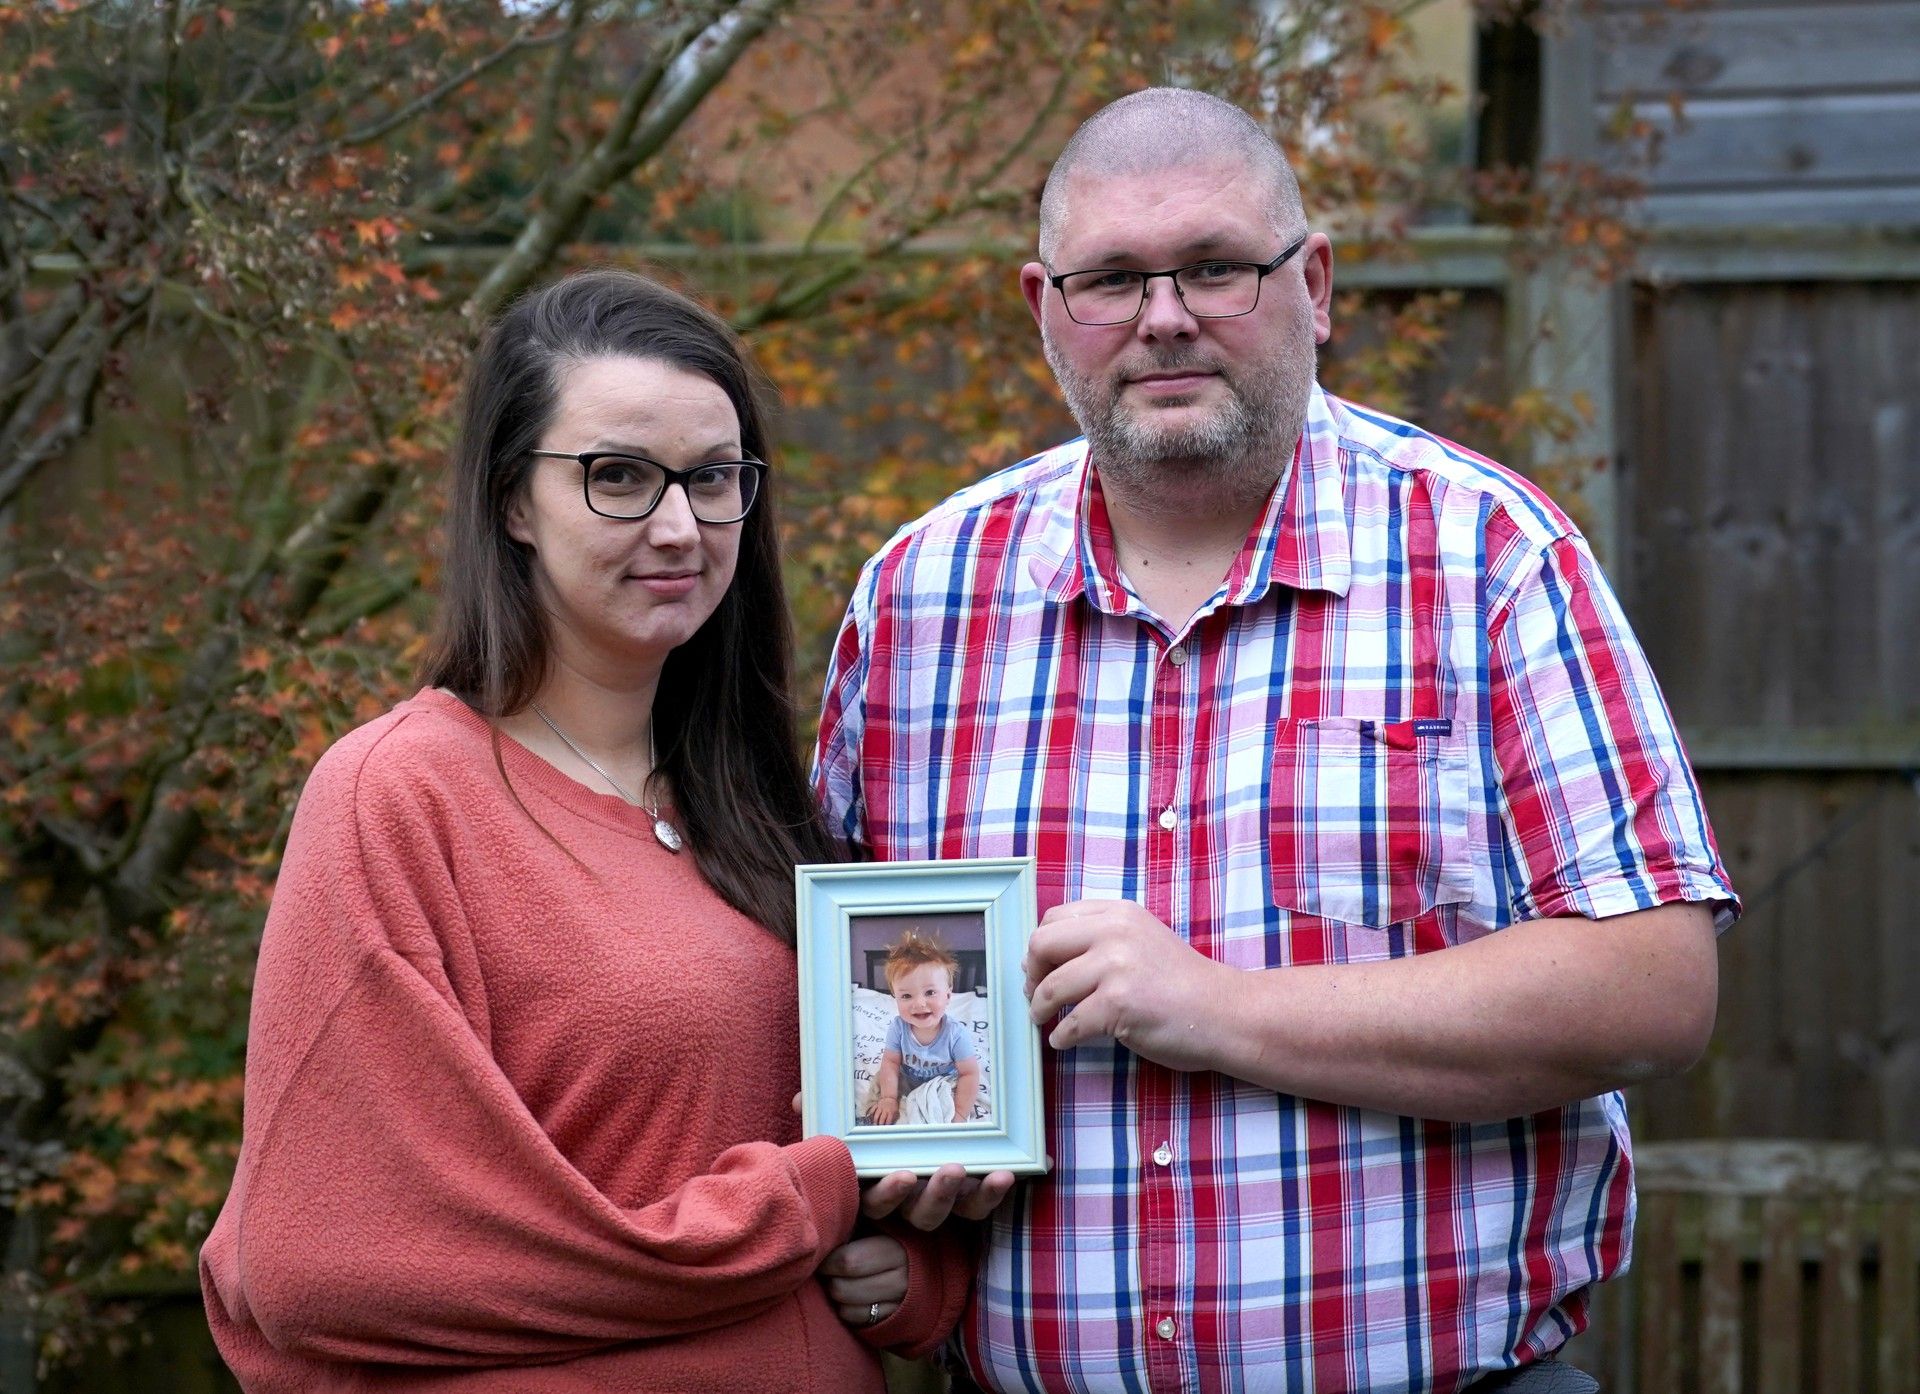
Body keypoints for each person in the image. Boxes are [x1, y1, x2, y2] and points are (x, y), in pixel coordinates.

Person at [813, 89, 1738, 1392]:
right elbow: (837, 1012)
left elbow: (1654, 984)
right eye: (1113, 278)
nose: (1165, 313)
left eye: (1214, 266)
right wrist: (890, 1186)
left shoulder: (1490, 561)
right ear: (1043, 308)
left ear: (1312, 284)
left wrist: (1218, 1007)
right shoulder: (920, 604)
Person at [198, 268, 974, 1392]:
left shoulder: (761, 808)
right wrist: (803, 1199)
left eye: (712, 478)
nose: (676, 525)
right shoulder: (398, 796)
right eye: (617, 476)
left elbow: (865, 1164)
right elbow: (334, 1261)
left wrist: (910, 1269)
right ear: (513, 500)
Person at [868, 932, 982, 1125]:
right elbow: (891, 1062)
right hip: (906, 1077)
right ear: (894, 997)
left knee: (956, 1096)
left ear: (947, 995)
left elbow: (969, 1073)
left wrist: (960, 1115)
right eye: (906, 996)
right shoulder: (898, 1028)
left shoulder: (955, 1034)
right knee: (879, 1082)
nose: (919, 1003)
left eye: (930, 992)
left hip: (944, 1081)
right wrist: (888, 1098)